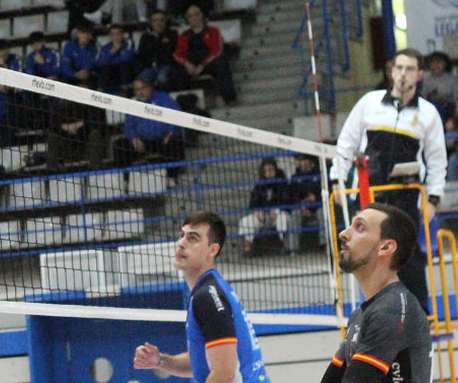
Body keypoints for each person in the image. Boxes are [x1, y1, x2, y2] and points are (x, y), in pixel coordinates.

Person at [332, 47, 446, 314]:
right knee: (368, 261)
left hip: (406, 200)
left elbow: (438, 160)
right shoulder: (369, 103)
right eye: (399, 68)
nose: (403, 74)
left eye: (409, 69)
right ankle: (377, 321)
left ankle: (420, 322)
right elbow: (345, 144)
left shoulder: (428, 113)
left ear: (418, 75)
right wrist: (337, 180)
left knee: (407, 260)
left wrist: (433, 199)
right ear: (392, 71)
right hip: (369, 198)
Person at [133, 212, 269, 383]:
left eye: (192, 238)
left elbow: (224, 375)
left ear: (212, 250)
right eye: (182, 236)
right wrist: (160, 361)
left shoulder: (207, 297)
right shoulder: (209, 290)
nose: (181, 243)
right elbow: (205, 362)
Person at [320, 203, 430, 382]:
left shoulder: (392, 309)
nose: (343, 233)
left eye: (360, 228)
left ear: (386, 248)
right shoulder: (361, 315)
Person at [112, 77, 184, 179]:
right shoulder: (132, 104)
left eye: (143, 88)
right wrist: (133, 138)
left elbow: (177, 114)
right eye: (137, 90)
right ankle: (125, 180)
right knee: (119, 145)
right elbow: (128, 126)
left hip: (163, 139)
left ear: (150, 88)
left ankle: (172, 178)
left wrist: (171, 132)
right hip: (141, 142)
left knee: (174, 143)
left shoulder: (163, 98)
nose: (140, 92)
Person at [172, 5, 238, 106]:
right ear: (188, 19)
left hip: (209, 63)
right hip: (191, 63)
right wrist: (187, 64)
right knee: (176, 73)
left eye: (196, 14)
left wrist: (202, 66)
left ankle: (230, 99)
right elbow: (177, 53)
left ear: (201, 15)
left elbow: (217, 50)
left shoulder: (213, 31)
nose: (194, 18)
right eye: (190, 16)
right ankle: (184, 104)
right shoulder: (184, 35)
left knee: (222, 65)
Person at [236, 158, 293, 255]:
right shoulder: (259, 185)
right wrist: (257, 212)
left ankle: (285, 247)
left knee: (283, 219)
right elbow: (252, 203)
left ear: (275, 169)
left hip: (278, 215)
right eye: (266, 171)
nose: (269, 173)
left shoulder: (283, 183)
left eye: (271, 170)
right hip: (262, 217)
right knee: (245, 221)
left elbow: (288, 202)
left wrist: (277, 211)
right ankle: (247, 248)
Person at [288, 154, 326, 251]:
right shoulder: (295, 177)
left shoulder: (319, 175)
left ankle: (324, 245)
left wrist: (315, 199)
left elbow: (323, 194)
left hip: (317, 207)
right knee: (294, 215)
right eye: (300, 160)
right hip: (302, 209)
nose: (302, 163)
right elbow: (293, 196)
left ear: (310, 161)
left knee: (323, 213)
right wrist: (302, 206)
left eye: (304, 160)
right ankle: (293, 249)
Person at [137, 10, 180, 90]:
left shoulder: (172, 34)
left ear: (165, 22)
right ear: (151, 23)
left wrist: (158, 39)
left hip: (167, 66)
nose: (159, 23)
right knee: (140, 81)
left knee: (162, 78)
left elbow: (172, 53)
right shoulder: (146, 36)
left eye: (161, 20)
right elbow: (142, 54)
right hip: (150, 67)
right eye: (155, 20)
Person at [95, 24, 137, 94]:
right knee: (104, 68)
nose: (116, 36)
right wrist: (112, 52)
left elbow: (127, 58)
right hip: (113, 72)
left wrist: (110, 58)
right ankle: (101, 91)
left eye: (118, 33)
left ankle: (125, 90)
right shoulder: (106, 47)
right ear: (110, 36)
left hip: (128, 71)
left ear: (122, 35)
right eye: (113, 34)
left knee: (124, 65)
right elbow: (99, 63)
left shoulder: (129, 43)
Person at [59, 23, 100, 89]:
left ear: (91, 35)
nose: (85, 35)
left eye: (88, 33)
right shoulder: (69, 45)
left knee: (95, 77)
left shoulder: (95, 46)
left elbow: (92, 63)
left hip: (87, 75)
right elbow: (65, 66)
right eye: (83, 33)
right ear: (78, 34)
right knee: (63, 78)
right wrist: (75, 74)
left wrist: (83, 48)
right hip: (73, 75)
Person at [422, 51, 458, 119]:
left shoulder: (453, 79)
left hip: (448, 108)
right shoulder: (426, 80)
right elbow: (423, 97)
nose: (436, 65)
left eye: (439, 63)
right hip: (430, 108)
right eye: (433, 62)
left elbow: (456, 98)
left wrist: (444, 99)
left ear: (445, 64)